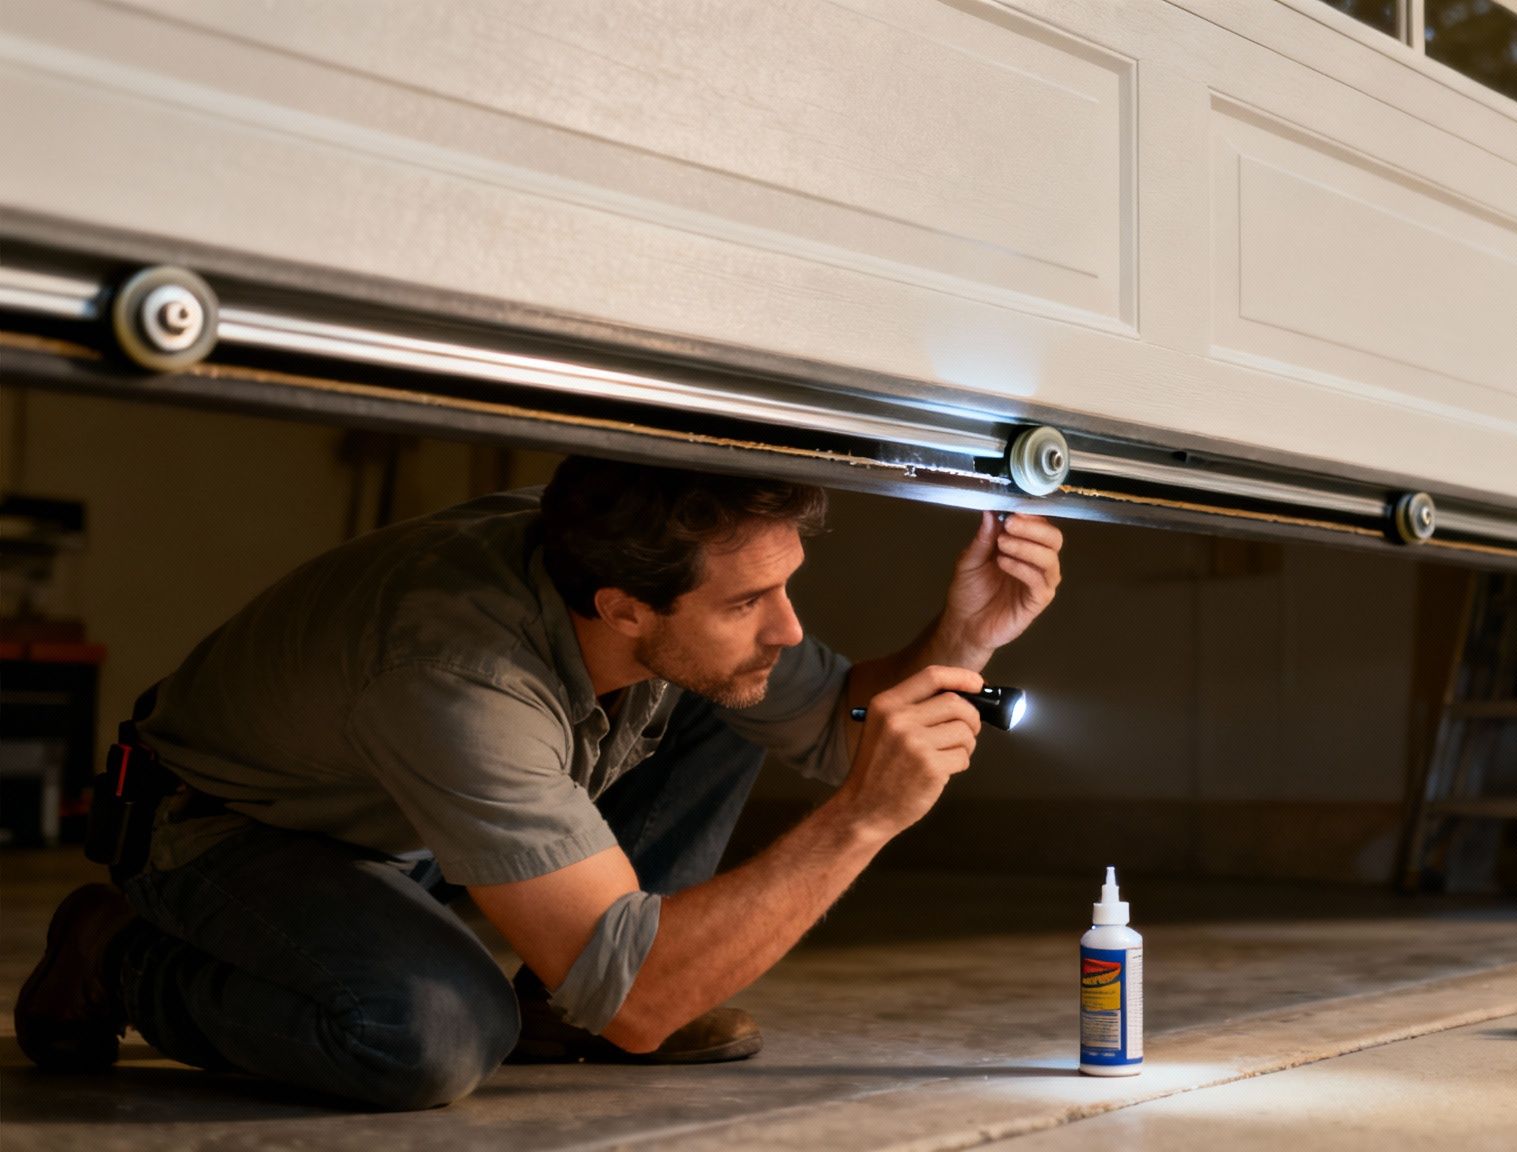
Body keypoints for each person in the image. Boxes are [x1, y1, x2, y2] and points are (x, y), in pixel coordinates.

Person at [13, 455, 1064, 1110]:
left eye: (786, 586)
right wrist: (863, 820)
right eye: (753, 600)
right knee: (431, 1037)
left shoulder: (639, 564)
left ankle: (570, 1003)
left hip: (404, 804)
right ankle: (119, 950)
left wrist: (965, 634)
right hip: (223, 828)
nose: (789, 628)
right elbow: (652, 1000)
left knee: (736, 686)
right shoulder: (461, 675)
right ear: (623, 610)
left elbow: (835, 725)